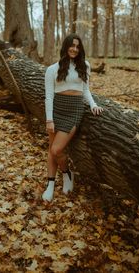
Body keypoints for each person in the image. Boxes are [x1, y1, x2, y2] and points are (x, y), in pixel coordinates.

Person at [42, 33, 103, 201]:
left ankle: (67, 173)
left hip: (74, 110)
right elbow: (48, 96)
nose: (75, 49)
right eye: (72, 45)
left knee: (57, 150)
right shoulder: (52, 69)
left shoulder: (85, 65)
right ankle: (51, 185)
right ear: (65, 46)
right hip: (56, 109)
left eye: (78, 46)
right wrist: (49, 119)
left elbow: (85, 90)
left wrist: (93, 105)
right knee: (51, 150)